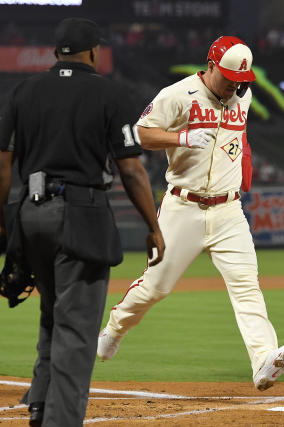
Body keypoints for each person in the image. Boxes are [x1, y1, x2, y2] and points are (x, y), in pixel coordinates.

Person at [96, 35, 284, 391]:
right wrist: (182, 138)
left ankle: (263, 359)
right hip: (183, 207)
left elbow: (241, 135)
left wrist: (244, 159)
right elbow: (142, 134)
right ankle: (115, 327)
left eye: (241, 79)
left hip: (229, 210)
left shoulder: (243, 95)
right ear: (210, 67)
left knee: (246, 285)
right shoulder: (178, 94)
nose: (235, 85)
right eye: (228, 77)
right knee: (157, 287)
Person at [0, 17, 165, 426]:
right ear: (93, 52)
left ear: (57, 52)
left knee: (53, 314)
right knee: (76, 328)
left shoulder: (23, 91)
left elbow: (2, 163)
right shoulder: (110, 93)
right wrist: (153, 225)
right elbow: (130, 170)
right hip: (79, 214)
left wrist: (4, 224)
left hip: (30, 214)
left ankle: (39, 407)